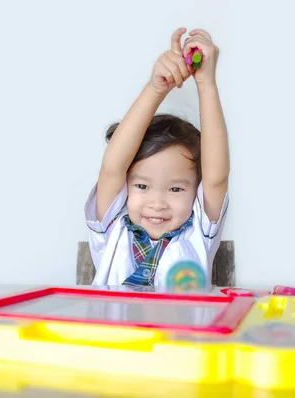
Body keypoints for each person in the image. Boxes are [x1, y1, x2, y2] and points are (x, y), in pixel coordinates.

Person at [84, 27, 230, 287]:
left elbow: (216, 178)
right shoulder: (111, 230)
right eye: (142, 186)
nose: (158, 203)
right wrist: (156, 88)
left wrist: (206, 83)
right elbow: (112, 167)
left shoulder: (200, 233)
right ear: (126, 186)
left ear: (195, 190)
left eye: (175, 188)